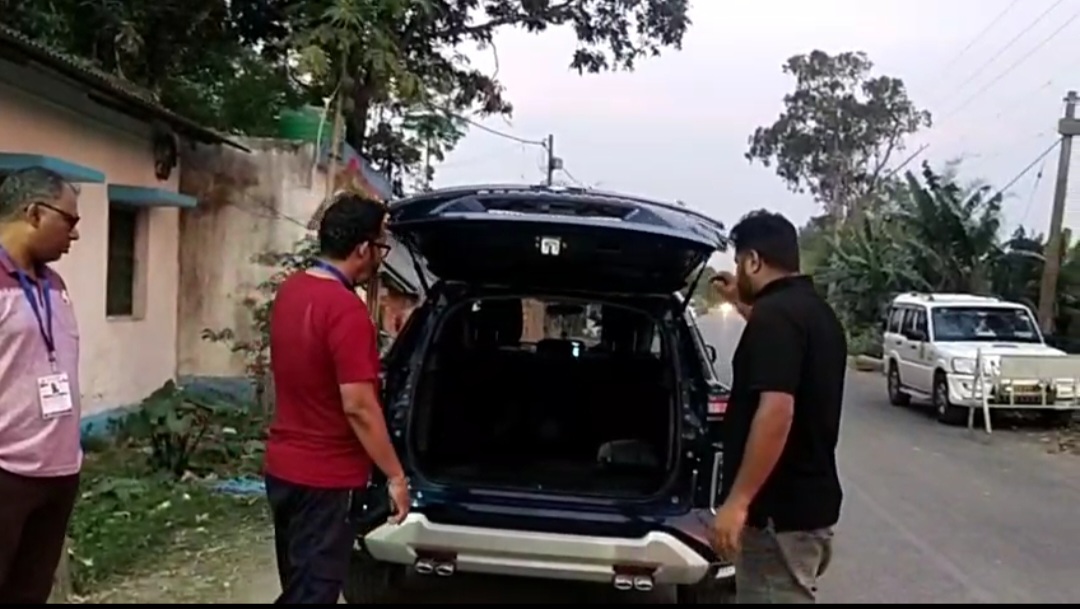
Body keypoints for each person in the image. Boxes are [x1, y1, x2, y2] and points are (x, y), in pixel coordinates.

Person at [264, 193, 410, 604]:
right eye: (380, 246)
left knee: (298, 587)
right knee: (313, 594)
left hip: (283, 471)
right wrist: (396, 477)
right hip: (326, 480)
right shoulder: (346, 311)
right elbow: (359, 406)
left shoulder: (291, 292)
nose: (380, 257)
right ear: (363, 248)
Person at [709, 209, 846, 604]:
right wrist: (739, 302)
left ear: (753, 260)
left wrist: (738, 502)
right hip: (805, 511)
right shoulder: (816, 313)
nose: (738, 270)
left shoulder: (776, 318)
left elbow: (777, 412)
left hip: (778, 517)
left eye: (739, 261)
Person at [0, 167, 83, 603]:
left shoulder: (55, 284)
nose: (75, 235)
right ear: (33, 213)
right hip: (7, 473)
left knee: (29, 592)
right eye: (69, 221)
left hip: (58, 473)